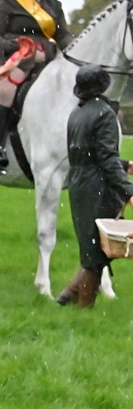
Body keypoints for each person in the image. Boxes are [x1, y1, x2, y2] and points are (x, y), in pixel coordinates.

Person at [0, 0, 73, 176]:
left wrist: (78, 53)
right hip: (14, 63)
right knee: (5, 91)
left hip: (46, 63)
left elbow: (64, 37)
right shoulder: (8, 2)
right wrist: (11, 47)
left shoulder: (54, 6)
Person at [56, 64, 133, 308]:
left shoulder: (76, 114)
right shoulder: (105, 113)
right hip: (98, 187)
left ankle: (68, 295)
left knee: (92, 247)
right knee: (96, 254)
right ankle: (83, 309)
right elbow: (105, 159)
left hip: (79, 185)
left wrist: (125, 165)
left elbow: (85, 155)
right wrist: (129, 192)